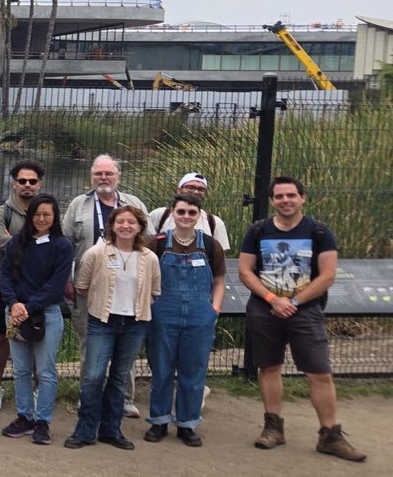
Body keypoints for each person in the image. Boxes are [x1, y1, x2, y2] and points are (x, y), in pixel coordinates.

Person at [237, 176, 364, 462]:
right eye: (279, 196)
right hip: (265, 308)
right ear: (272, 200)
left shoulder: (319, 231)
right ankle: (273, 427)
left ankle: (330, 435)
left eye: (291, 195)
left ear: (302, 197)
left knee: (320, 372)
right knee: (268, 367)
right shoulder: (258, 231)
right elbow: (246, 271)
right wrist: (273, 300)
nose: (285, 201)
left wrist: (293, 302)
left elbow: (327, 275)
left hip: (304, 310)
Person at [65, 205, 160, 451]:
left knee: (119, 377)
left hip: (135, 324)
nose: (126, 226)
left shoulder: (149, 258)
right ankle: (85, 430)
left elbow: (155, 291)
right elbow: (82, 285)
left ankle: (111, 429)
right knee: (94, 376)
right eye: (120, 221)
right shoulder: (97, 253)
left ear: (140, 226)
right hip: (102, 321)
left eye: (131, 222)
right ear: (112, 225)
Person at [63, 154, 148, 418]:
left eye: (108, 174)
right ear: (92, 177)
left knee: (126, 344)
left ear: (118, 177)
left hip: (128, 287)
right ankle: (90, 399)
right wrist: (67, 278)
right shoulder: (79, 204)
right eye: (98, 174)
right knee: (90, 343)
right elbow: (65, 244)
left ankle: (124, 398)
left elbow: (148, 241)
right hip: (86, 288)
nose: (103, 178)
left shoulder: (133, 203)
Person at [145, 195, 225, 447]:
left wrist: (214, 308)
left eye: (192, 212)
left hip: (200, 315)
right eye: (182, 211)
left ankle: (187, 424)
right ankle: (159, 421)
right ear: (173, 213)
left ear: (199, 214)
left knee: (194, 371)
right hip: (163, 314)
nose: (186, 216)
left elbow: (220, 279)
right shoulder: (155, 243)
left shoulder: (211, 245)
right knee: (161, 369)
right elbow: (144, 276)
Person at [0, 194, 73, 445]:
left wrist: (27, 307)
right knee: (20, 370)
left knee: (46, 371)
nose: (41, 219)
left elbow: (56, 286)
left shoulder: (62, 246)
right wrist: (14, 304)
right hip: (16, 313)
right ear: (30, 216)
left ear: (54, 218)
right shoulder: (16, 243)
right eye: (37, 214)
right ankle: (24, 417)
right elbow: (5, 276)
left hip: (46, 314)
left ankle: (43, 421)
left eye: (47, 215)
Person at [0, 160, 44, 412]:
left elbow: (57, 240)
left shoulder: (46, 210)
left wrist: (18, 242)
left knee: (39, 336)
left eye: (32, 181)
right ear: (14, 183)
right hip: (6, 283)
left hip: (38, 285)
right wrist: (36, 243)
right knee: (3, 335)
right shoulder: (1, 212)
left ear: (39, 184)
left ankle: (38, 388)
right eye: (22, 181)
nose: (27, 185)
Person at [146, 173, 232, 250]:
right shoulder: (159, 215)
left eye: (201, 189)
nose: (196, 191)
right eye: (190, 187)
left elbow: (219, 257)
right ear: (179, 190)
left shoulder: (214, 222)